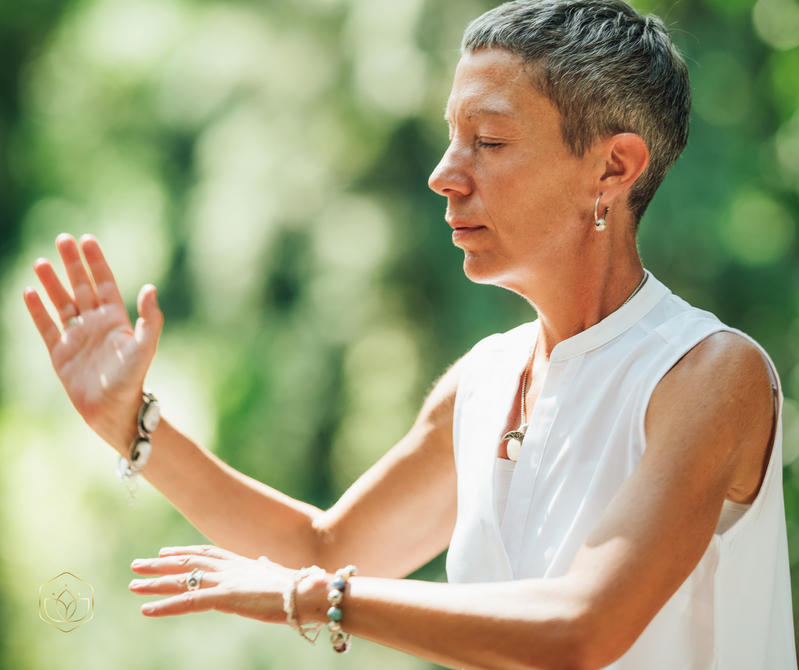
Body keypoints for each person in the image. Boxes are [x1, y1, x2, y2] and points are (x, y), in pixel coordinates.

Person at [23, 0, 796, 668]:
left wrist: (307, 598)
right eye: (450, 136)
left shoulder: (707, 374)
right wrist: (130, 425)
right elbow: (327, 549)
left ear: (611, 169)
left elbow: (580, 631)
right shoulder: (483, 380)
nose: (443, 173)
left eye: (486, 141)